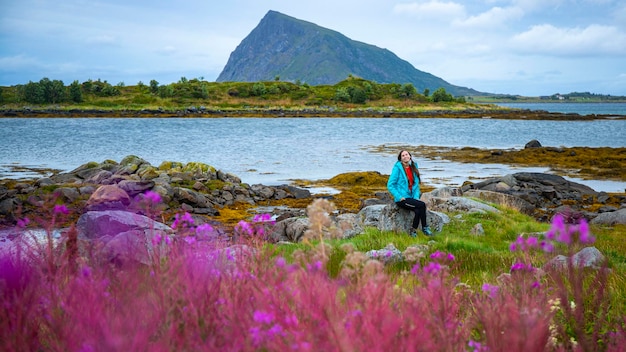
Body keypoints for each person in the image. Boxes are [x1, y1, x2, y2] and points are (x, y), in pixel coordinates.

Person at [387, 150, 433, 237]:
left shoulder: (414, 167)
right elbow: (390, 185)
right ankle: (425, 228)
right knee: (422, 205)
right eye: (403, 155)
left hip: (411, 197)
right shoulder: (397, 168)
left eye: (406, 154)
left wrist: (416, 197)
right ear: (400, 159)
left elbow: (416, 185)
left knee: (418, 210)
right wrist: (399, 196)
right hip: (402, 199)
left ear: (410, 156)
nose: (405, 156)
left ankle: (413, 231)